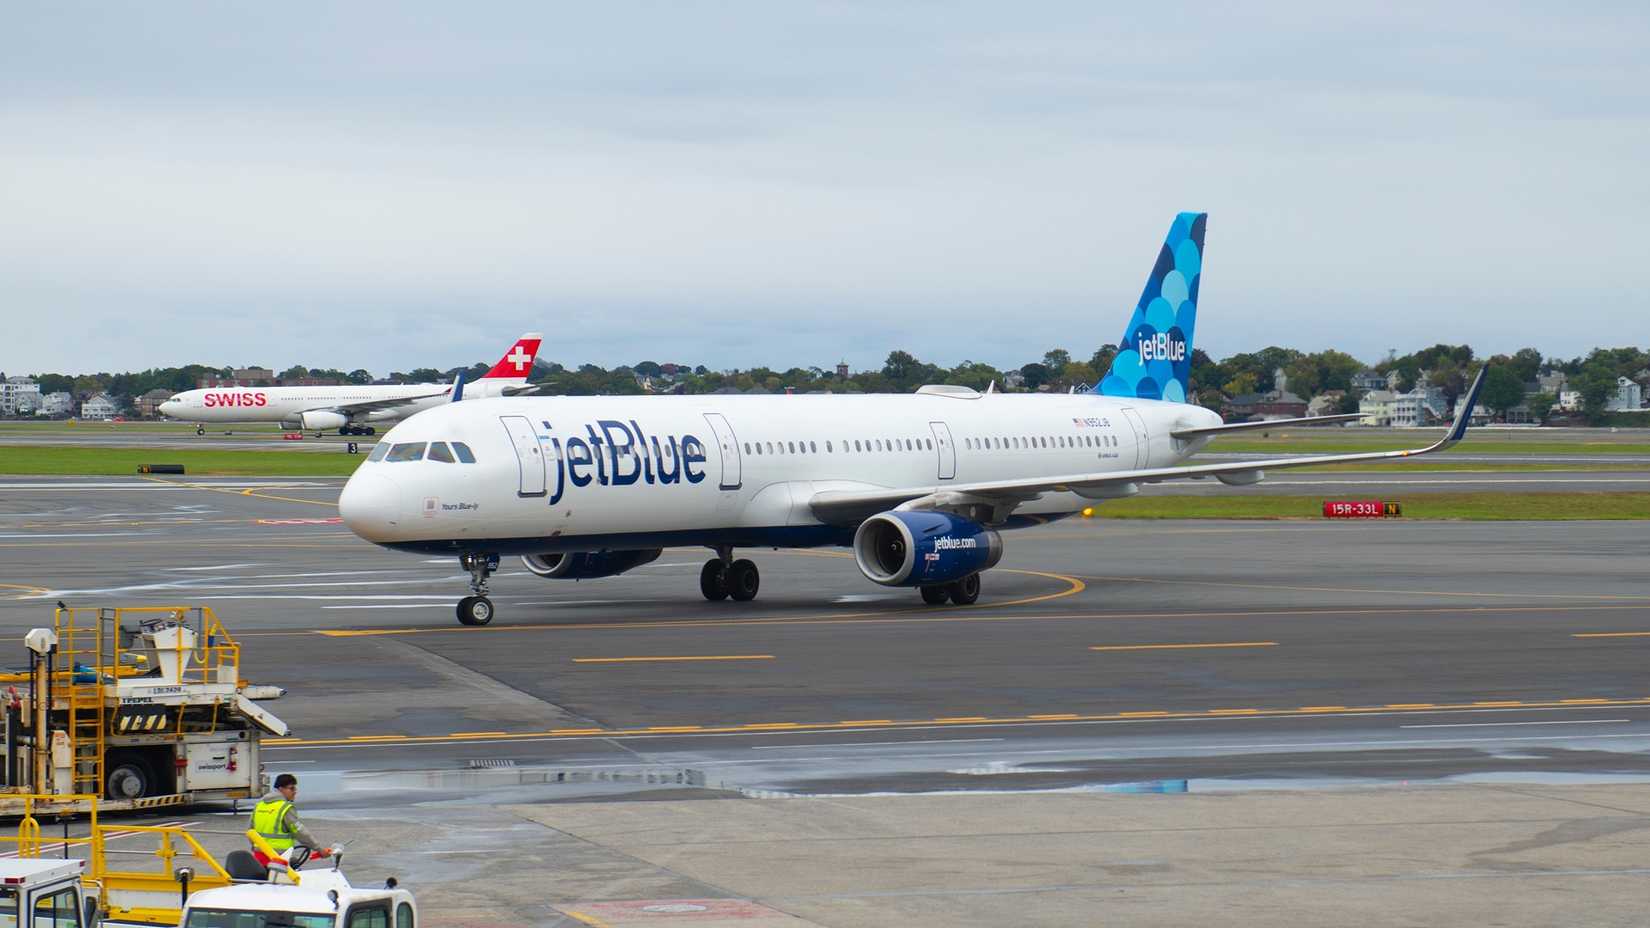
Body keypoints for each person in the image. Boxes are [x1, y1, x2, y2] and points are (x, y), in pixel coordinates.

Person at [249, 773, 333, 868]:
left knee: (264, 880)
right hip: (280, 857)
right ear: (281, 789)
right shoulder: (285, 808)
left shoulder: (259, 805)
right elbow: (300, 832)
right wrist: (320, 850)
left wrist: (256, 847)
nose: (295, 792)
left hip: (260, 855)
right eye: (292, 788)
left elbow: (250, 831)